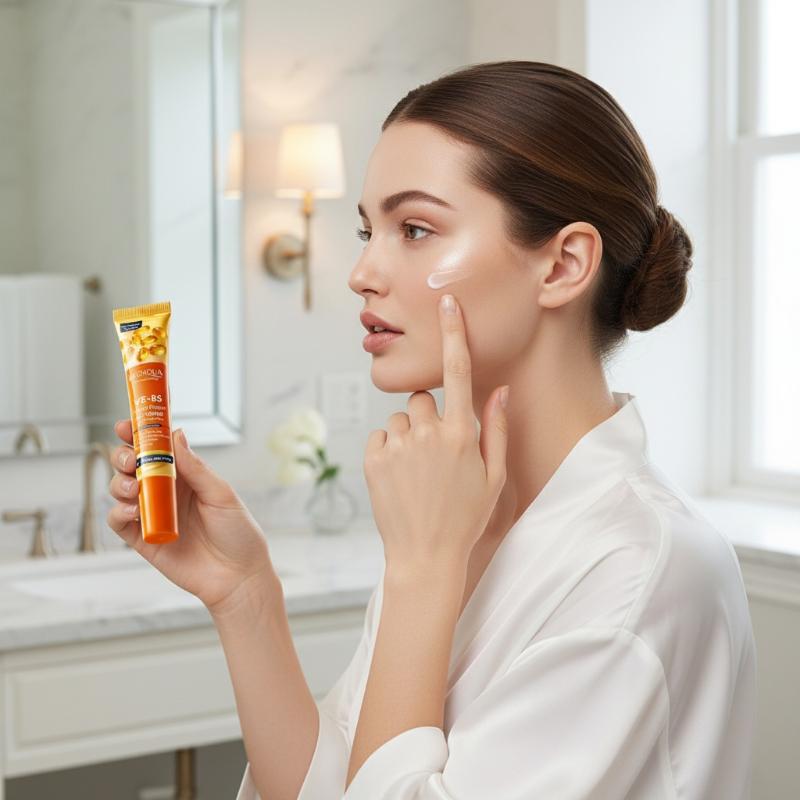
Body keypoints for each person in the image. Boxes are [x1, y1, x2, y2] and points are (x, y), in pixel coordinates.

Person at [107, 60, 756, 799]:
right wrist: (244, 595)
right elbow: (343, 785)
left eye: (415, 229)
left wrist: (421, 574)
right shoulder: (460, 515)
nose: (361, 271)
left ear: (563, 264)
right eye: (368, 229)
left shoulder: (641, 573)